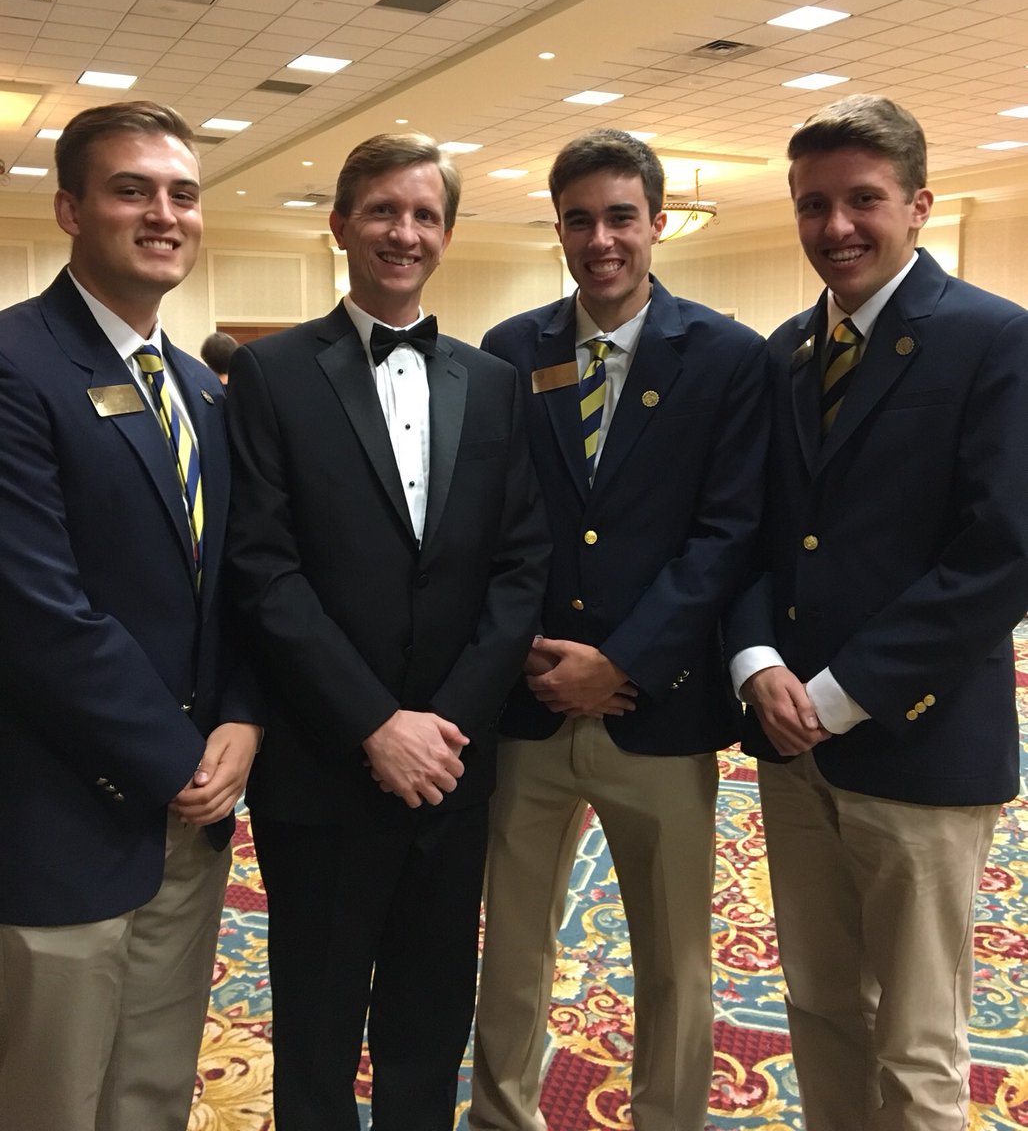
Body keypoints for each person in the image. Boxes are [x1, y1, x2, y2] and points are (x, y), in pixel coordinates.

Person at [225, 132, 550, 1131]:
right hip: (325, 763)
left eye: (423, 215)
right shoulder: (269, 374)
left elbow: (518, 567)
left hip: (452, 769)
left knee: (429, 1013)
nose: (402, 233)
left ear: (446, 232)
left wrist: (444, 723)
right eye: (381, 211)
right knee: (316, 1027)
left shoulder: (490, 381)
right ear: (339, 224)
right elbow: (262, 570)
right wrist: (376, 723)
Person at [726, 94, 1028, 1131]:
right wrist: (756, 658)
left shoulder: (992, 340)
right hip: (788, 739)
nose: (835, 226)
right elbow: (757, 532)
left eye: (862, 200)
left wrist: (841, 691)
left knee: (915, 1040)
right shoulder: (784, 353)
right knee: (817, 1006)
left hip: (919, 742)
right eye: (812, 204)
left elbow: (1002, 553)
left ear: (918, 206)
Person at [469, 129, 769, 1131]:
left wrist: (623, 661)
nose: (600, 240)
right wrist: (527, 652)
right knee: (511, 949)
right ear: (556, 226)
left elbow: (727, 534)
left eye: (619, 217)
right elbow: (491, 524)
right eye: (578, 220)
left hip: (659, 710)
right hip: (528, 706)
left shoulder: (726, 355)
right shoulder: (513, 351)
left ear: (658, 222)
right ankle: (504, 1114)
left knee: (675, 959)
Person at [0, 100, 262, 1131]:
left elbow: (231, 584)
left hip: (188, 821)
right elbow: (37, 614)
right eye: (131, 189)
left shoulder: (199, 389)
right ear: (68, 208)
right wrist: (177, 762)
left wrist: (242, 716)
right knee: (48, 1100)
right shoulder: (16, 366)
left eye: (183, 194)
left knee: (150, 1094)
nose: (164, 213)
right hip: (59, 819)